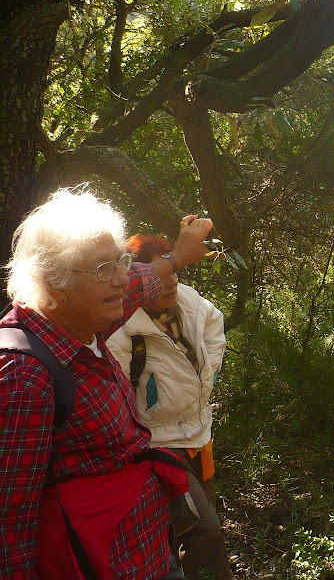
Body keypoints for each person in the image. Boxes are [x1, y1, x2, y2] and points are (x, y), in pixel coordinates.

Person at [0, 187, 212, 579]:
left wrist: (179, 256)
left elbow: (137, 284)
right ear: (54, 281)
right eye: (103, 269)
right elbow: (8, 523)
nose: (120, 278)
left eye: (121, 261)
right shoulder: (24, 376)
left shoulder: (83, 325)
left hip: (147, 549)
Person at [106, 235, 231, 580]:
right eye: (160, 275)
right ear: (140, 284)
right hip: (157, 447)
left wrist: (209, 372)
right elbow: (115, 398)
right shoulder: (123, 331)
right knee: (204, 530)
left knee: (190, 523)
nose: (171, 281)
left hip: (197, 433)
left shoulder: (190, 301)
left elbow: (213, 324)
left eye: (173, 271)